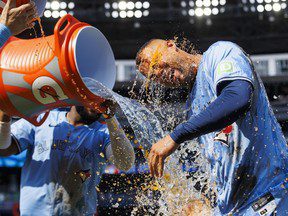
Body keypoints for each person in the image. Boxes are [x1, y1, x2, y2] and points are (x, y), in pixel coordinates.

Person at [136, 39, 288, 215]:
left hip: (271, 195)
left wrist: (175, 136)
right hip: (238, 208)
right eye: (153, 76)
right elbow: (222, 165)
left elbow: (237, 98)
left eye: (156, 63)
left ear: (171, 45)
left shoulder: (219, 53)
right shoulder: (192, 108)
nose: (159, 73)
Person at [0, 105, 135, 215]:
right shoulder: (42, 119)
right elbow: (3, 148)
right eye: (89, 97)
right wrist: (4, 115)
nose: (95, 103)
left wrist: (111, 117)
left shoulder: (103, 133)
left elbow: (125, 163)